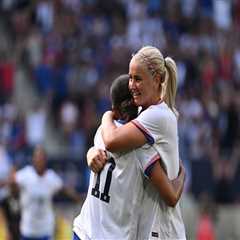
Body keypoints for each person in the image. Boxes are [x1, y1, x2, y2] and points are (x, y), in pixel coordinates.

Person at [73, 74, 185, 240]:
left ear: (115, 109)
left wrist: (107, 116)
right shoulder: (143, 149)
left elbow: (99, 148)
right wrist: (182, 173)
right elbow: (171, 196)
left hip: (83, 231)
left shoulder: (103, 130)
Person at [97, 46, 186, 239]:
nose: (131, 85)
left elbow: (111, 141)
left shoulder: (157, 117)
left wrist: (106, 115)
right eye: (130, 78)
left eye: (138, 79)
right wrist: (91, 155)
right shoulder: (147, 116)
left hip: (162, 230)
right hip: (149, 227)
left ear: (157, 80)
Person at [8, 145, 80, 240]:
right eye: (37, 158)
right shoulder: (26, 175)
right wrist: (12, 183)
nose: (39, 161)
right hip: (28, 231)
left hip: (45, 231)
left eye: (41, 158)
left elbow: (64, 189)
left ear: (45, 160)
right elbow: (12, 183)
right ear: (33, 159)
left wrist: (78, 198)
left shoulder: (51, 177)